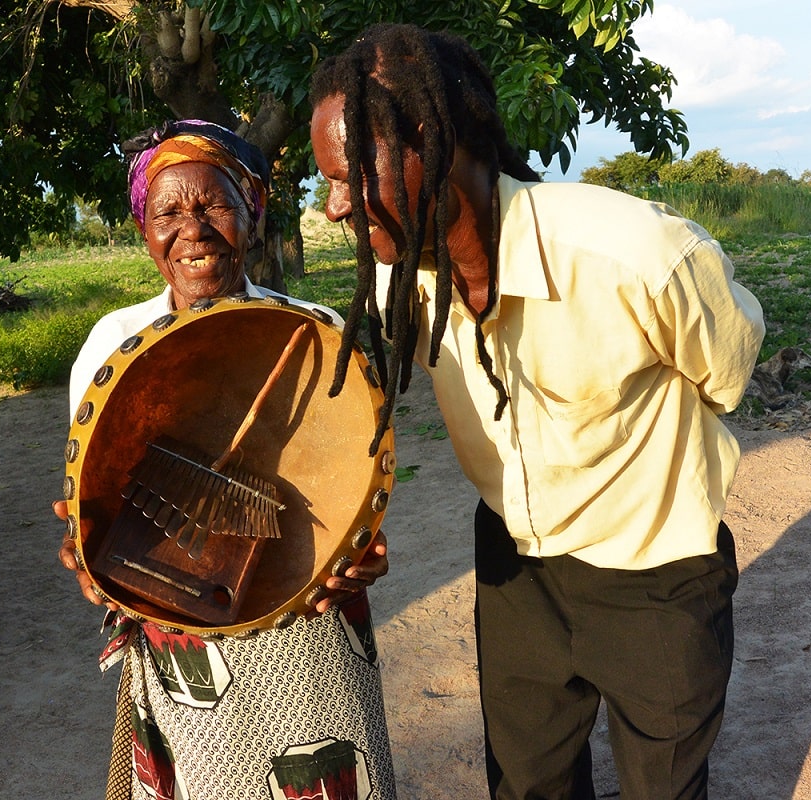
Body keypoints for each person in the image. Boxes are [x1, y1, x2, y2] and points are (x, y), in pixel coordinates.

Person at [309, 23, 765, 800]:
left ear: (433, 140)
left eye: (351, 175)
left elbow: (723, 375)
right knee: (527, 785)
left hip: (657, 574)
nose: (335, 207)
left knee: (666, 786)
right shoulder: (403, 285)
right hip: (516, 567)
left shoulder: (639, 258)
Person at [54, 119, 398, 800]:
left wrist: (359, 559)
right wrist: (88, 554)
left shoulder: (314, 333)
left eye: (214, 205)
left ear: (254, 212)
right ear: (143, 228)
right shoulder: (115, 343)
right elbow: (93, 501)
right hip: (184, 635)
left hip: (308, 632)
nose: (194, 229)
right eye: (169, 212)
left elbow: (354, 492)